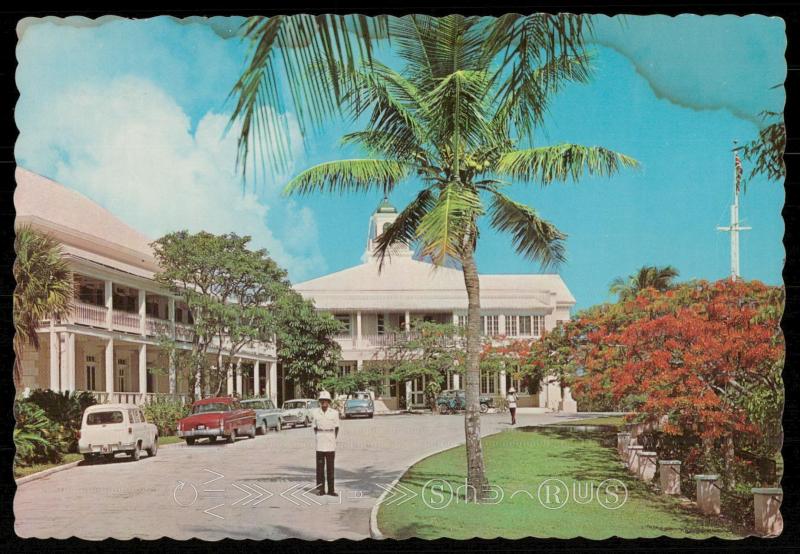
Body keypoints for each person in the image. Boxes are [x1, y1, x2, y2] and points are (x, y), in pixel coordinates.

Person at [312, 390, 340, 496]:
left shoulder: (334, 413)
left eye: (326, 401)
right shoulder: (315, 413)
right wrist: (320, 435)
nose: (324, 403)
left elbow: (336, 428)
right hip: (320, 442)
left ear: (329, 402)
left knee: (330, 468)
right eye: (322, 401)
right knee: (320, 468)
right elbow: (315, 428)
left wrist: (332, 437)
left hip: (330, 441)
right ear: (320, 402)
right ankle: (320, 490)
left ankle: (331, 490)